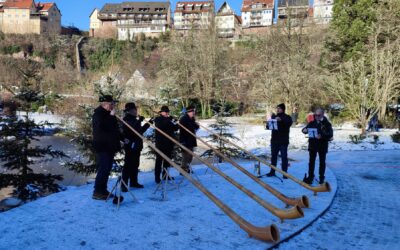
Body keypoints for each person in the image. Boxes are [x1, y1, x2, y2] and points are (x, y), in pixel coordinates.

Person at [92, 95, 121, 200]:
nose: (113, 106)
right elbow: (102, 128)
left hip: (110, 146)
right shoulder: (98, 114)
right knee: (103, 169)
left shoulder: (109, 114)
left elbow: (114, 130)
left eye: (113, 104)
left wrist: (122, 138)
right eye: (112, 104)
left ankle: (103, 189)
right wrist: (111, 116)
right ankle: (97, 192)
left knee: (107, 169)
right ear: (105, 104)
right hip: (102, 146)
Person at [121, 102, 151, 191]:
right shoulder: (126, 119)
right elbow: (132, 130)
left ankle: (134, 182)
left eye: (135, 109)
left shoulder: (134, 119)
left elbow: (139, 131)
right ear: (130, 111)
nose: (136, 111)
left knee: (135, 164)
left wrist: (148, 124)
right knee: (128, 165)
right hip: (130, 145)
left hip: (137, 145)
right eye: (134, 109)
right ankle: (124, 184)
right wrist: (139, 121)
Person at [302, 108, 333, 185]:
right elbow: (304, 129)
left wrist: (322, 136)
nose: (316, 117)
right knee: (311, 162)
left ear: (322, 114)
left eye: (318, 115)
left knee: (322, 162)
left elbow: (330, 134)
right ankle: (310, 177)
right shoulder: (312, 123)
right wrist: (304, 130)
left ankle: (321, 178)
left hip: (322, 145)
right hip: (313, 145)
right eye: (315, 115)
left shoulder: (327, 124)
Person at [266, 103, 293, 178]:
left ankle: (285, 173)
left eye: (279, 108)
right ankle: (272, 171)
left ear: (283, 109)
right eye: (277, 108)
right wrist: (268, 123)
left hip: (283, 141)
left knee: (284, 157)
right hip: (274, 140)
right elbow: (268, 127)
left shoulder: (287, 117)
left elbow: (289, 123)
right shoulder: (274, 116)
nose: (277, 109)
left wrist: (281, 120)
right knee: (273, 157)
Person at [154, 106, 179, 183]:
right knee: (159, 161)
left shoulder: (167, 120)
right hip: (161, 144)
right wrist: (172, 121)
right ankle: (157, 177)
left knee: (167, 160)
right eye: (165, 112)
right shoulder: (159, 120)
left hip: (168, 143)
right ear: (161, 112)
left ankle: (165, 175)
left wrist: (176, 123)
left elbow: (174, 128)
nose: (167, 113)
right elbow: (170, 126)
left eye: (167, 112)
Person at [179, 106, 199, 173]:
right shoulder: (183, 119)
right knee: (185, 156)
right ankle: (183, 170)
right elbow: (190, 127)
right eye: (191, 111)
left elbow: (195, 127)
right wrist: (194, 126)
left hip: (191, 140)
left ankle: (187, 168)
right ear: (188, 112)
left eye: (193, 111)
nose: (193, 113)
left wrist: (196, 126)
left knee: (190, 155)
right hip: (185, 140)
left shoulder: (192, 119)